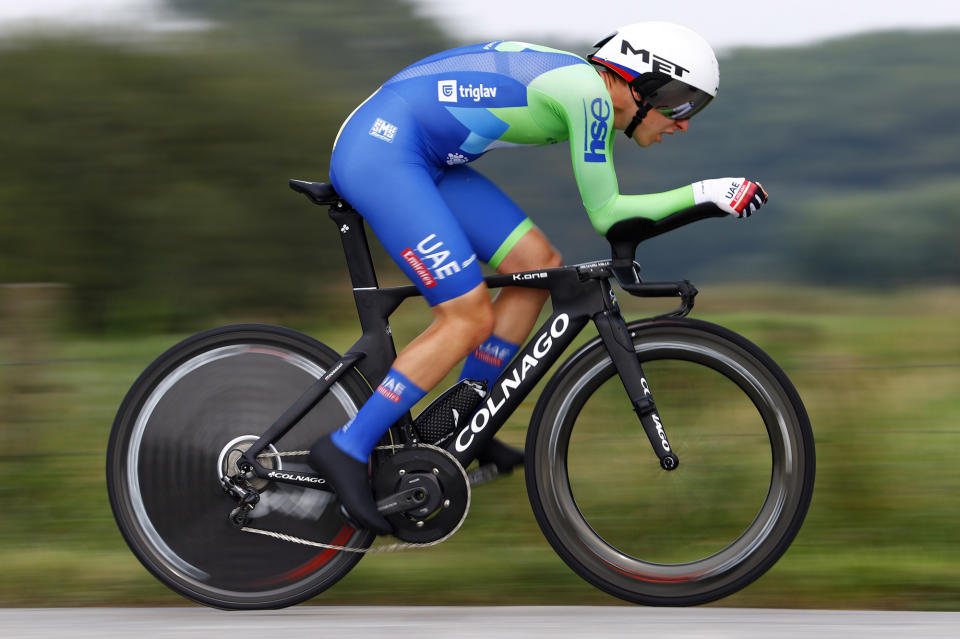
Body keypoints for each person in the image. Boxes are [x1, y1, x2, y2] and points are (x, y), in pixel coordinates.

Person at [308, 22, 768, 535]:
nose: (683, 124)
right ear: (644, 83)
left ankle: (466, 416)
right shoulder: (589, 95)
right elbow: (608, 214)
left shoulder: (586, 88)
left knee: (537, 266)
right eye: (681, 105)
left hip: (428, 157)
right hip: (384, 153)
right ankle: (347, 446)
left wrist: (702, 200)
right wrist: (706, 192)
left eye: (694, 109)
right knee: (466, 315)